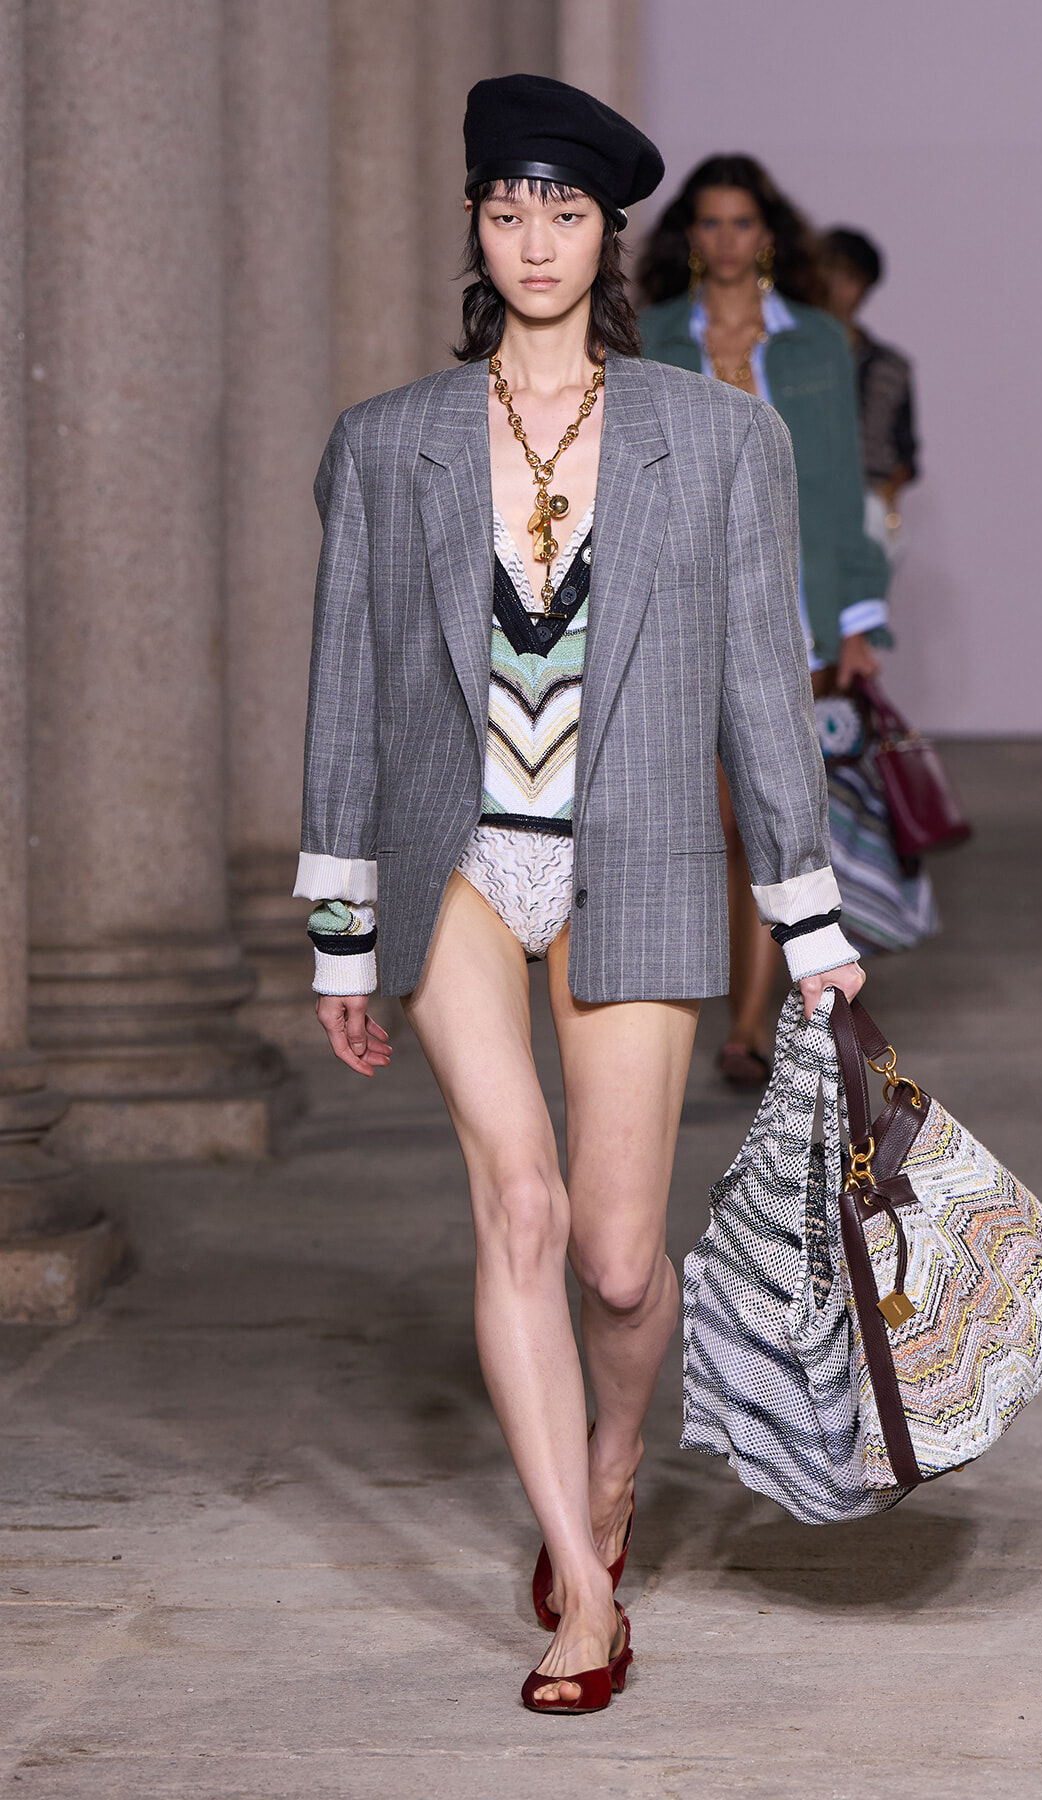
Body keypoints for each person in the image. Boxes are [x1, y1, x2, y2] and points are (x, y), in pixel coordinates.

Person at [293, 77, 865, 1715]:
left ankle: (615, 1457)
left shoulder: (720, 437)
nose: (534, 241)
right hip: (458, 857)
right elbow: (346, 689)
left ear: (606, 237)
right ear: (475, 228)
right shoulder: (388, 442)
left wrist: (811, 923)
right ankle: (584, 1594)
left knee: (618, 1263)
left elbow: (759, 689)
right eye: (506, 210)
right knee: (521, 1211)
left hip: (642, 850)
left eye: (563, 213)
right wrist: (340, 930)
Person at [637, 156, 890, 1084]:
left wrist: (859, 619)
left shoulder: (817, 341)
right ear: (689, 235)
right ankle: (702, 1009)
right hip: (678, 604)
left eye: (741, 222)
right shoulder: (650, 338)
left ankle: (744, 1029)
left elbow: (842, 487)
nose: (725, 239)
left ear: (767, 234)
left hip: (794, 610)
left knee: (766, 820)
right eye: (709, 222)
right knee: (707, 824)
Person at [821, 226, 921, 563]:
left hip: (868, 501)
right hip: (802, 497)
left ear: (866, 289)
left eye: (849, 278)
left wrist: (885, 496)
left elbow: (906, 452)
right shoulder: (785, 356)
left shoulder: (891, 368)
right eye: (829, 271)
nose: (835, 286)